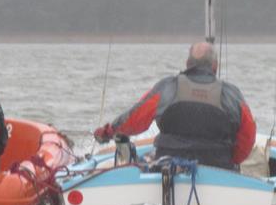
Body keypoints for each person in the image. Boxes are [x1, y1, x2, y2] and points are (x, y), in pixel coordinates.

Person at [94, 41, 256, 171]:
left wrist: (108, 132)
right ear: (215, 66)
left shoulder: (167, 87)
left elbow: (134, 120)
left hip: (169, 165)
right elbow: (248, 137)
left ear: (187, 63)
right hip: (219, 167)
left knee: (144, 162)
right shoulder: (232, 94)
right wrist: (232, 159)